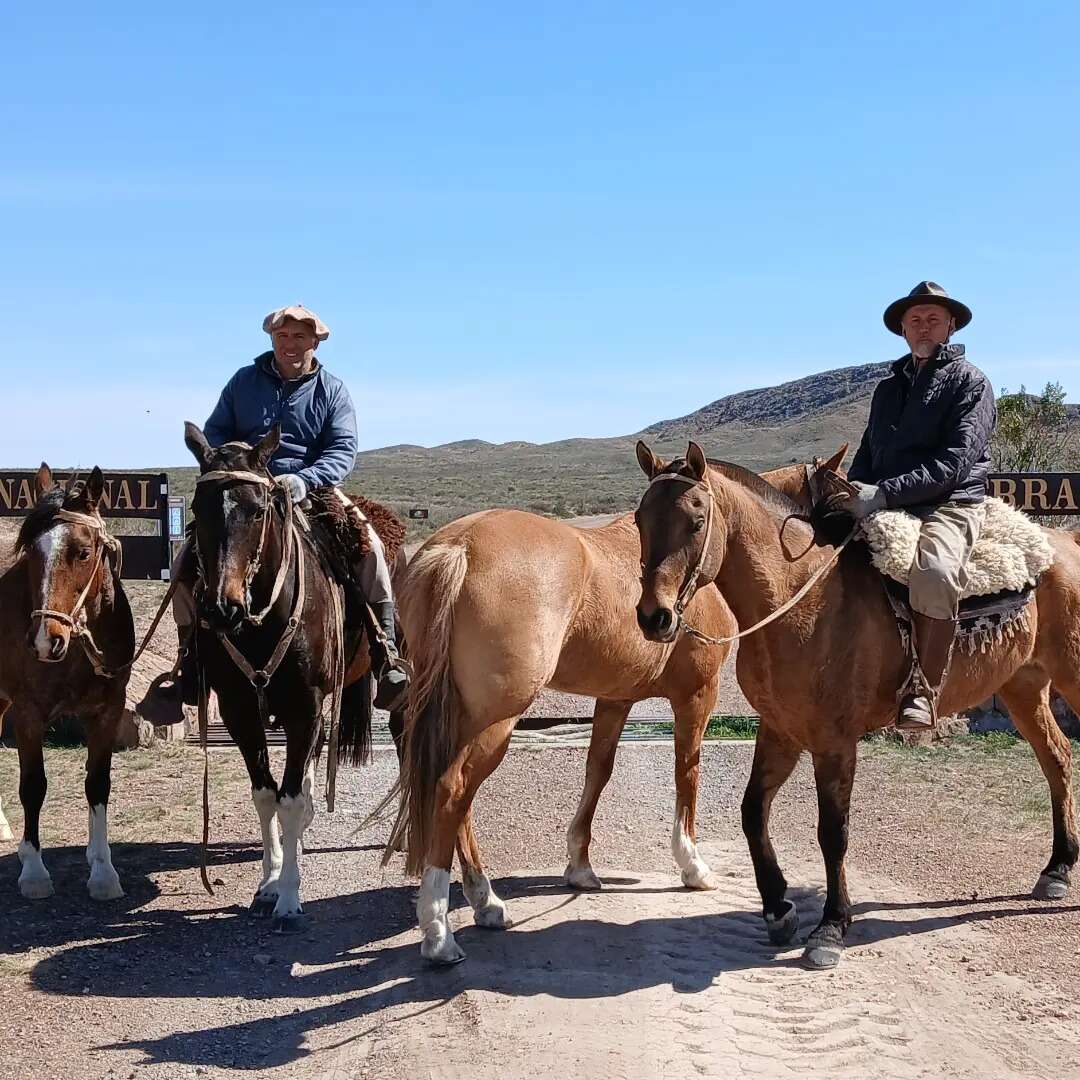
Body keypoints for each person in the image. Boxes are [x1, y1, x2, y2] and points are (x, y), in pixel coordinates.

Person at [152, 304, 408, 720]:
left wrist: (307, 478)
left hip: (310, 489)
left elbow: (342, 449)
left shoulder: (332, 390)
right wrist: (232, 462)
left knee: (371, 547)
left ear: (315, 342)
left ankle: (385, 652)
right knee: (187, 559)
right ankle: (190, 662)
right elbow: (215, 432)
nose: (290, 345)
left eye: (299, 338)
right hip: (247, 487)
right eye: (283, 337)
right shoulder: (243, 382)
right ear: (272, 339)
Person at [829, 282, 996, 731]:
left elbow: (953, 464)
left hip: (948, 503)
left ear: (951, 326)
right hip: (887, 499)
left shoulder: (972, 383)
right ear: (903, 328)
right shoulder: (888, 390)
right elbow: (869, 452)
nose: (924, 327)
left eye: (933, 319)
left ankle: (923, 690)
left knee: (936, 573)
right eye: (915, 320)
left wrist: (882, 494)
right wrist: (850, 491)